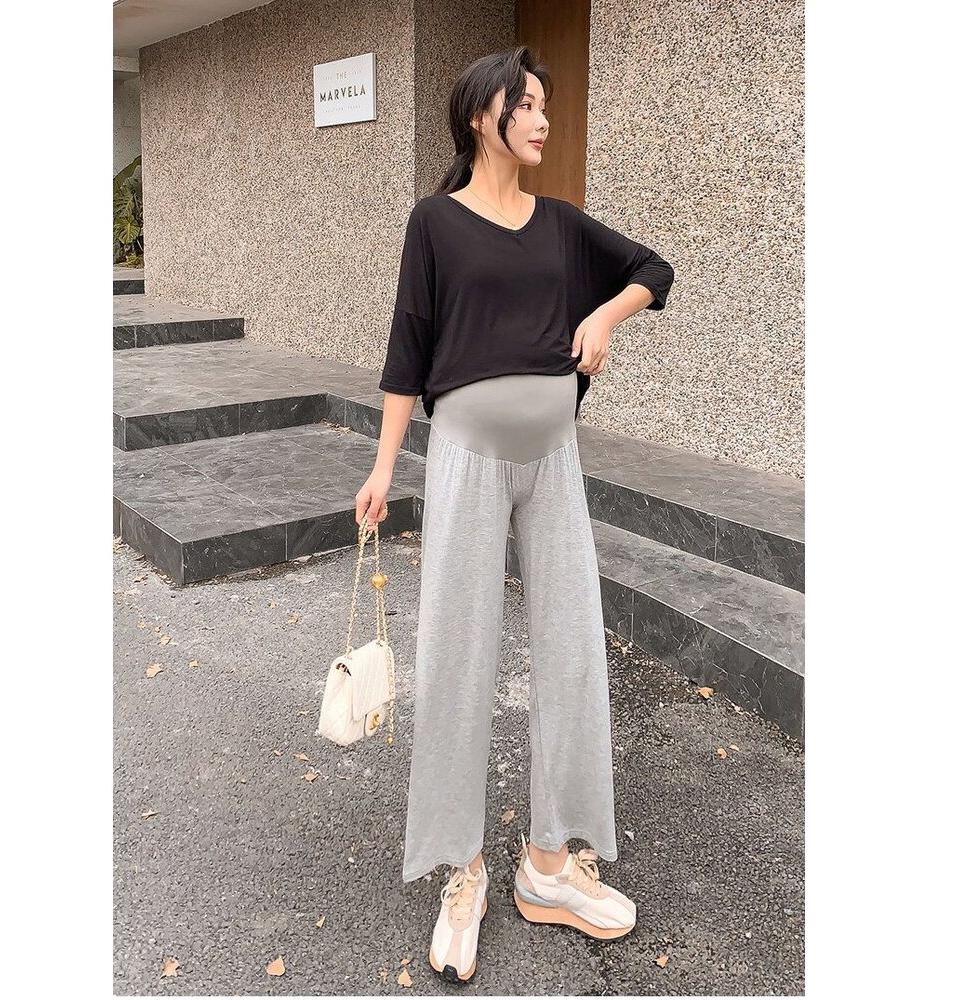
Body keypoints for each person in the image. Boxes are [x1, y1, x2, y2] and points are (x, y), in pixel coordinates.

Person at [355, 45, 675, 984]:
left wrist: (605, 316)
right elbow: (407, 346)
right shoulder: (435, 224)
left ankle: (549, 863)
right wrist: (384, 467)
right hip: (466, 457)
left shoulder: (562, 225)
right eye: (524, 105)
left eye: (542, 105)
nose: (540, 119)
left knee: (571, 649)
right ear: (479, 116)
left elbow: (654, 268)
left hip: (554, 459)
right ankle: (463, 869)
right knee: (459, 653)